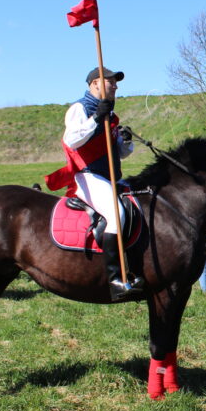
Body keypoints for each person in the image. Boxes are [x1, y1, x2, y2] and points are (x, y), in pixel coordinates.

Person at [46, 66, 143, 301]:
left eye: (116, 83)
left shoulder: (110, 113)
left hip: (111, 176)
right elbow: (72, 140)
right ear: (95, 84)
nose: (116, 86)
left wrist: (126, 141)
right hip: (87, 176)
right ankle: (115, 279)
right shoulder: (80, 108)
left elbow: (119, 153)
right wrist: (96, 118)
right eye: (111, 82)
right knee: (116, 214)